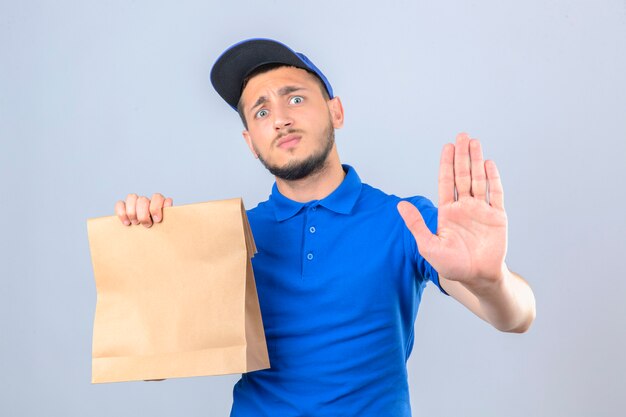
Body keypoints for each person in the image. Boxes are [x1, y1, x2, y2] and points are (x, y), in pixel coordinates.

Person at [114, 38, 536, 416]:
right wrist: (152, 255)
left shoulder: (405, 220)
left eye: (294, 99)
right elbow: (157, 368)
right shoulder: (232, 235)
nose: (279, 119)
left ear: (336, 111)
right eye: (261, 111)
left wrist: (489, 279)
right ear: (250, 141)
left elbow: (516, 317)